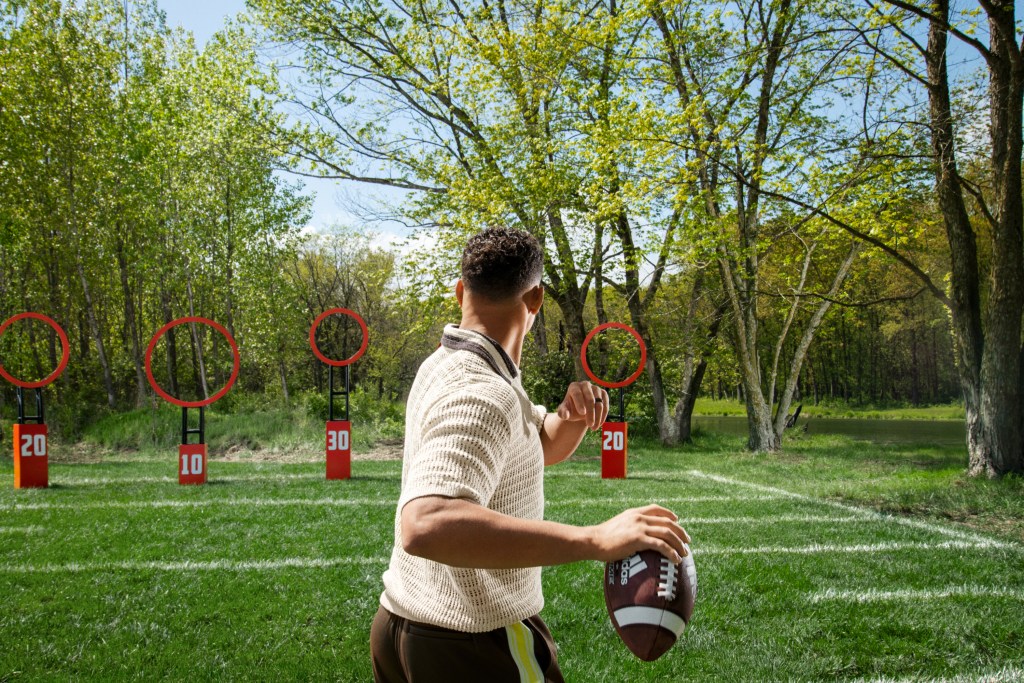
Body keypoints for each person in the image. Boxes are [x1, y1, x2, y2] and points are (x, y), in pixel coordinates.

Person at [370, 227, 690, 682]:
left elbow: (533, 447)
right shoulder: (484, 391)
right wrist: (594, 540)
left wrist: (572, 415)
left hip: (404, 626)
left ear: (461, 292)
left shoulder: (450, 362)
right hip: (472, 640)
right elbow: (426, 524)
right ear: (537, 298)